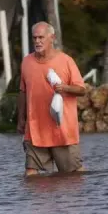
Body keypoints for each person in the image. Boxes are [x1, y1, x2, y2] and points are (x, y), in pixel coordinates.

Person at [17, 21, 87, 176]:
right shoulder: (26, 62)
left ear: (52, 38)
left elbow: (82, 90)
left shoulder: (66, 61)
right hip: (35, 130)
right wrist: (21, 118)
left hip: (62, 131)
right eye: (34, 38)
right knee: (30, 175)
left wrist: (66, 88)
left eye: (41, 37)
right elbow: (23, 91)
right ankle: (34, 202)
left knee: (74, 175)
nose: (37, 41)